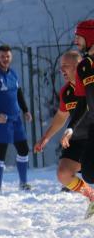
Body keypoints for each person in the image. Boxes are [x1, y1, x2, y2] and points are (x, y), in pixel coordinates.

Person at [0, 45, 33, 192]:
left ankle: (23, 183)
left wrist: (25, 110)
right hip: (0, 120)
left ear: (11, 57)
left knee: (23, 149)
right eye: (2, 56)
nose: (5, 59)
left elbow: (18, 92)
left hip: (15, 118)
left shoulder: (13, 73)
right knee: (1, 152)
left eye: (8, 56)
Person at [34, 51, 85, 192]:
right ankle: (92, 197)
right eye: (61, 66)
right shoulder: (67, 92)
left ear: (78, 66)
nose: (61, 69)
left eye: (66, 66)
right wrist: (46, 137)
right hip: (77, 138)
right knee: (63, 173)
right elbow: (61, 117)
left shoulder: (90, 85)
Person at [61, 20, 94, 219]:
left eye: (78, 36)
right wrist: (71, 128)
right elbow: (82, 101)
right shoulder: (84, 67)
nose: (75, 41)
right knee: (89, 172)